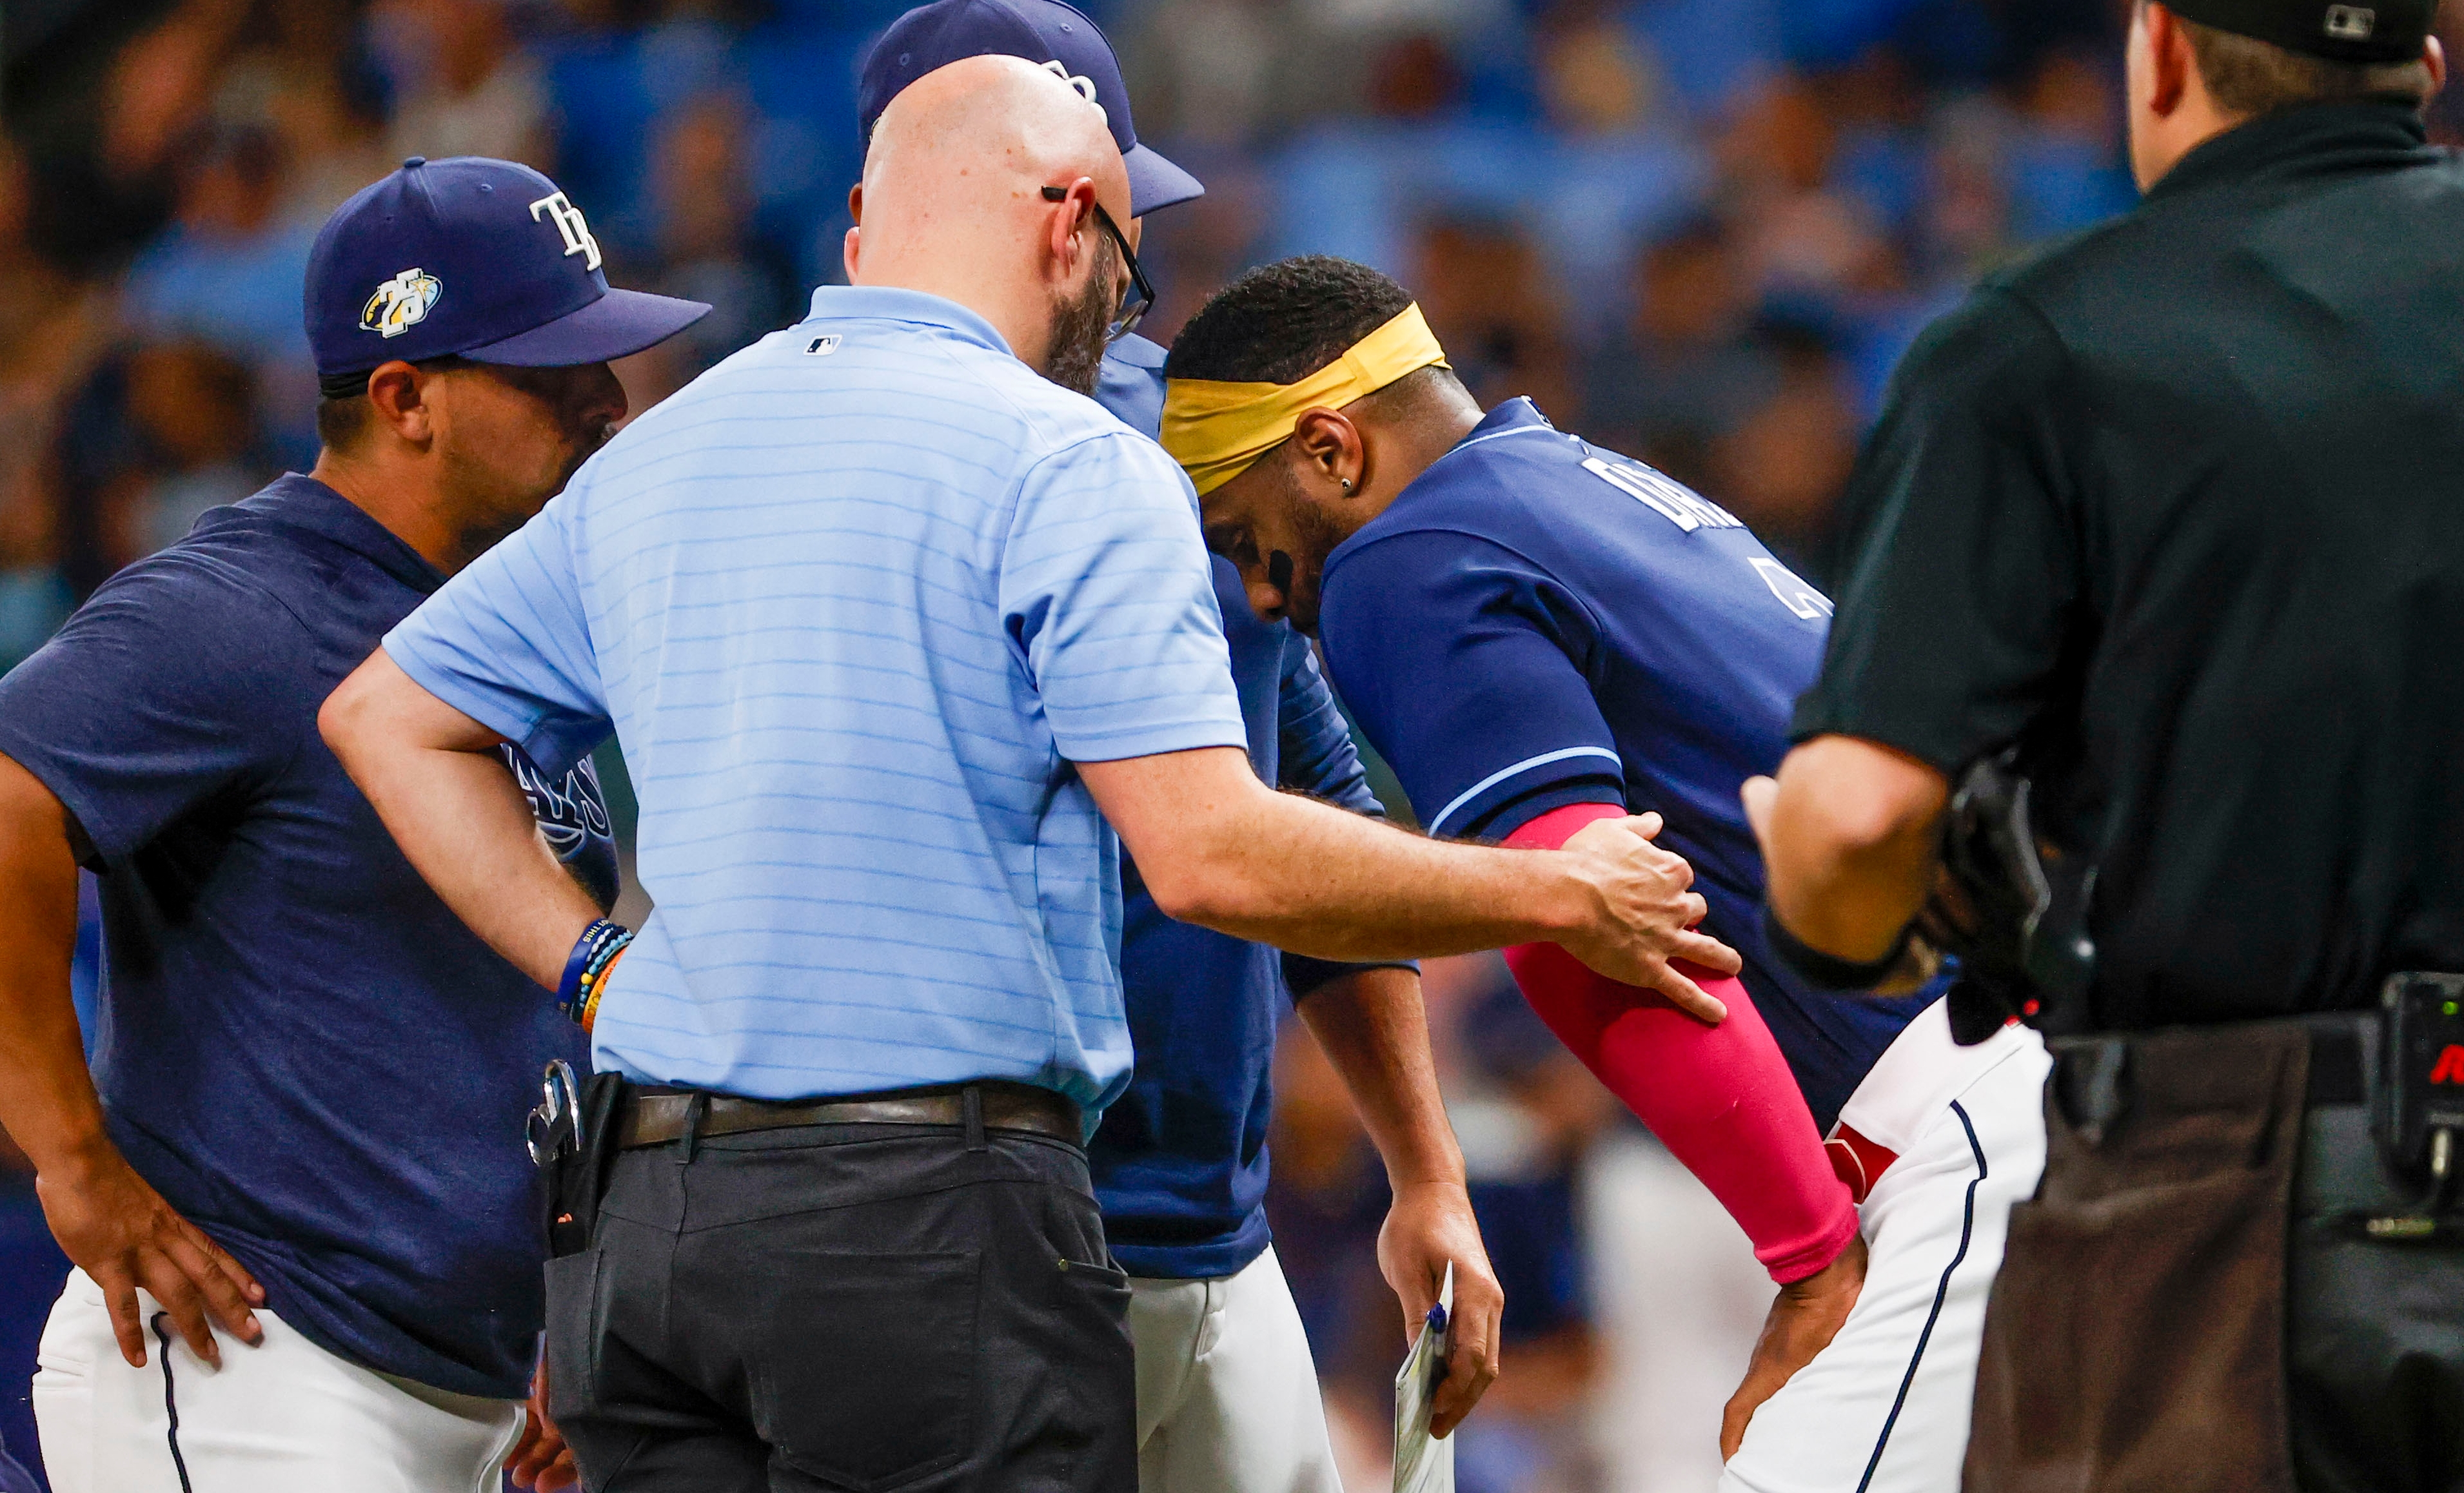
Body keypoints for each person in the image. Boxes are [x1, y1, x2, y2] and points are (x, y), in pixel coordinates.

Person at [317, 59, 1733, 1493]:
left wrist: (599, 972)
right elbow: (1210, 856)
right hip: (926, 1227)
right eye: (1127, 268)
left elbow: (388, 718)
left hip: (650, 1234)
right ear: (1068, 225)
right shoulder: (1068, 459)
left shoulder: (667, 444)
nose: (1128, 317)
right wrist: (1548, 891)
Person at [1749, 2, 2464, 1489]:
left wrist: (1816, 878)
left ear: (2160, 48)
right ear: (2421, 66)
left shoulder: (2035, 342)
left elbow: (1854, 828)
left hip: (2216, 1210)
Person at [1155, 255, 2050, 1493]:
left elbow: (1578, 915)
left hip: (1965, 1109)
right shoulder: (1576, 479)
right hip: (2061, 1064)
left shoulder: (1397, 558)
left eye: (1249, 541)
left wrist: (1808, 1262)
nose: (1264, 593)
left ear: (1330, 450)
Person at [849, 5, 1509, 1483]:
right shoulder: (816, 454)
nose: (1089, 264)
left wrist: (1426, 1170)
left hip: (1216, 1227)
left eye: (1107, 220)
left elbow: (1312, 785)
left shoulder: (1198, 438)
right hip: (957, 1242)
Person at [0, 155, 704, 1492]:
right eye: (552, 376)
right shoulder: (243, 606)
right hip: (255, 1365)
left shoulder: (509, 632)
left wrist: (552, 1301)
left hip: (465, 1386)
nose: (607, 404)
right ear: (404, 398)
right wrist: (72, 1157)